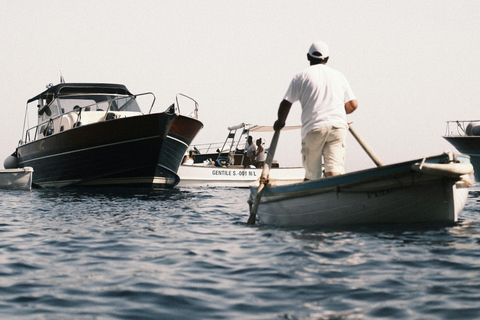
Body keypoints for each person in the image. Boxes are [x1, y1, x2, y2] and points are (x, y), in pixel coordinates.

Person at [273, 40, 358, 180]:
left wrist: (280, 122)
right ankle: (334, 192)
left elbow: (286, 103)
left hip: (314, 128)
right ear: (327, 58)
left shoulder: (301, 76)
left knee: (312, 175)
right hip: (338, 126)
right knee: (334, 171)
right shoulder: (339, 76)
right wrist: (336, 111)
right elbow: (353, 105)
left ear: (308, 57)